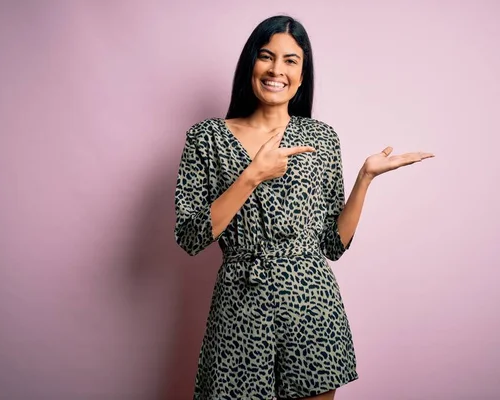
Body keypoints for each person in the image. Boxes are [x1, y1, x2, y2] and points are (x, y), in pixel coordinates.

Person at [174, 15, 434, 400]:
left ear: (302, 73)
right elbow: (190, 237)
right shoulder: (207, 137)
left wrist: (365, 179)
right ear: (251, 63)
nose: (276, 69)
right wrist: (251, 176)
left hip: (312, 304)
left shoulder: (322, 138)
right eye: (266, 56)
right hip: (240, 303)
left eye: (290, 60)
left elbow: (333, 244)